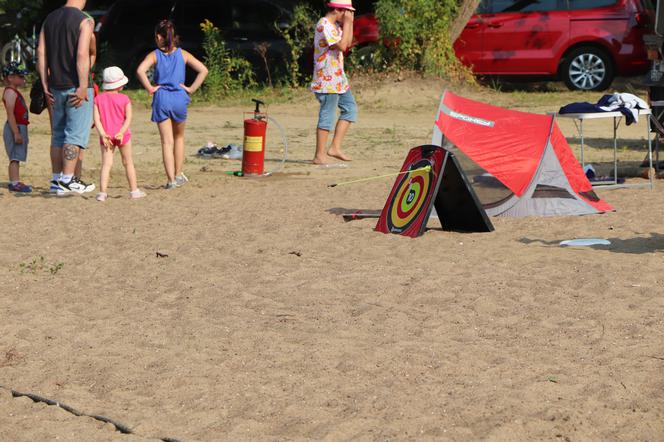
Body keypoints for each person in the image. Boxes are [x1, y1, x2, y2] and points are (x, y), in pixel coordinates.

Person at [136, 19, 208, 189]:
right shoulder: (183, 54)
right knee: (179, 138)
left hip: (161, 98)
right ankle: (178, 173)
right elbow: (203, 70)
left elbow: (140, 70)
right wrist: (191, 89)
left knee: (166, 142)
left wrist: (151, 88)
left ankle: (171, 180)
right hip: (179, 99)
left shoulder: (154, 54)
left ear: (159, 37)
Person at [37, 0, 96, 194]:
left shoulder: (49, 19)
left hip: (54, 86)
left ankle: (56, 181)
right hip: (75, 86)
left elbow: (41, 52)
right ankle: (68, 179)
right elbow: (81, 54)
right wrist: (82, 85)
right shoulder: (85, 20)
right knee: (75, 133)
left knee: (58, 135)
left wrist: (45, 83)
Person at [311, 0, 357, 165]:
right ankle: (319, 155)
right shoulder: (324, 25)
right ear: (338, 10)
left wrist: (347, 25)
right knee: (327, 115)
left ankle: (335, 147)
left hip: (338, 78)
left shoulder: (336, 26)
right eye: (347, 12)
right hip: (326, 79)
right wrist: (349, 22)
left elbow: (348, 43)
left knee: (350, 109)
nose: (349, 15)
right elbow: (343, 45)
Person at [93, 66, 145, 201]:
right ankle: (134, 191)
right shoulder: (125, 99)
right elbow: (128, 118)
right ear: (120, 85)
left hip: (106, 136)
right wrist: (121, 132)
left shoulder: (98, 99)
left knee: (106, 164)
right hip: (123, 135)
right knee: (128, 163)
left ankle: (102, 193)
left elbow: (96, 119)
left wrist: (103, 134)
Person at [2, 62, 32, 193]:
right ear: (10, 78)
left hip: (19, 127)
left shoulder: (14, 92)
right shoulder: (10, 92)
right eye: (20, 76)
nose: (23, 79)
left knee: (17, 156)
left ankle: (15, 180)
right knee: (15, 156)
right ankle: (14, 183)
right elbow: (10, 114)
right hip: (15, 127)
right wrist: (16, 132)